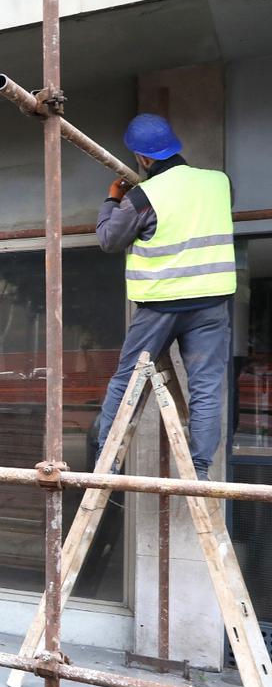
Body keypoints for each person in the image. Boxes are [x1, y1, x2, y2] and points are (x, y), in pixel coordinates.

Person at [94, 113, 234, 481]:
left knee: (126, 380)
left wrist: (112, 199)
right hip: (211, 304)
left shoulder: (142, 196)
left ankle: (105, 463)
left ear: (142, 157)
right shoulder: (219, 183)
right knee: (206, 388)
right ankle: (199, 470)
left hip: (160, 306)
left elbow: (109, 239)